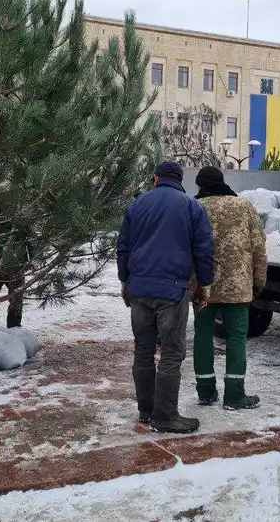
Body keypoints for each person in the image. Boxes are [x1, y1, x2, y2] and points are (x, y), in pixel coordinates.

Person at [117, 161, 215, 434]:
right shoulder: (192, 206)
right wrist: (205, 283)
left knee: (143, 350)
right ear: (181, 181)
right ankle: (165, 416)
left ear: (155, 179)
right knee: (171, 353)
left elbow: (122, 247)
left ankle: (146, 410)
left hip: (139, 290)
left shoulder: (137, 205)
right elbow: (204, 249)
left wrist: (125, 280)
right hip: (172, 291)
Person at [191, 167, 267, 410]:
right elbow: (258, 248)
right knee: (236, 338)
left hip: (203, 286)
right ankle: (234, 395)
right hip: (237, 286)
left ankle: (205, 391)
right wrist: (259, 282)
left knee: (203, 336)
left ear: (201, 185)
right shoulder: (244, 207)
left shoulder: (195, 207)